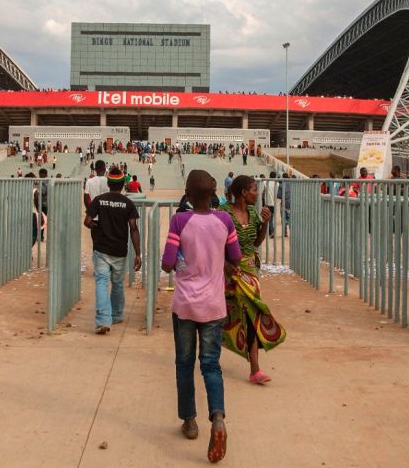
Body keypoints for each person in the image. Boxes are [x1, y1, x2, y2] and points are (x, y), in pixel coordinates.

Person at [161, 170, 242, 463]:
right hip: (213, 305)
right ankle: (218, 418)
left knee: (184, 364)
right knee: (211, 365)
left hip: (185, 305)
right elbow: (235, 257)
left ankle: (190, 421)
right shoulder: (225, 220)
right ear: (213, 194)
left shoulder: (179, 221)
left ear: (187, 194)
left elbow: (168, 264)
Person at [224, 176, 285, 383]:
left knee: (252, 316)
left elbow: (256, 242)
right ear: (243, 193)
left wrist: (265, 223)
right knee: (226, 317)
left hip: (249, 272)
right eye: (253, 190)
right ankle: (210, 354)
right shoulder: (224, 213)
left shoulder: (252, 213)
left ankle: (255, 369)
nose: (256, 194)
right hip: (229, 272)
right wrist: (225, 265)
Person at [83, 167, 141, 335]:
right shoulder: (128, 203)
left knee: (101, 281)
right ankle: (116, 315)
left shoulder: (99, 200)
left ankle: (103, 320)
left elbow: (87, 221)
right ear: (123, 184)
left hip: (101, 248)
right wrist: (138, 253)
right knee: (117, 284)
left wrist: (97, 227)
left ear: (108, 183)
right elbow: (133, 228)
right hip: (119, 250)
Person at [262, 171, 279, 238]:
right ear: (275, 176)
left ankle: (270, 232)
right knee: (272, 218)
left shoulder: (265, 182)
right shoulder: (277, 183)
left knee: (267, 219)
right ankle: (271, 231)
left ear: (269, 175)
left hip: (267, 203)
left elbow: (262, 191)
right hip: (274, 203)